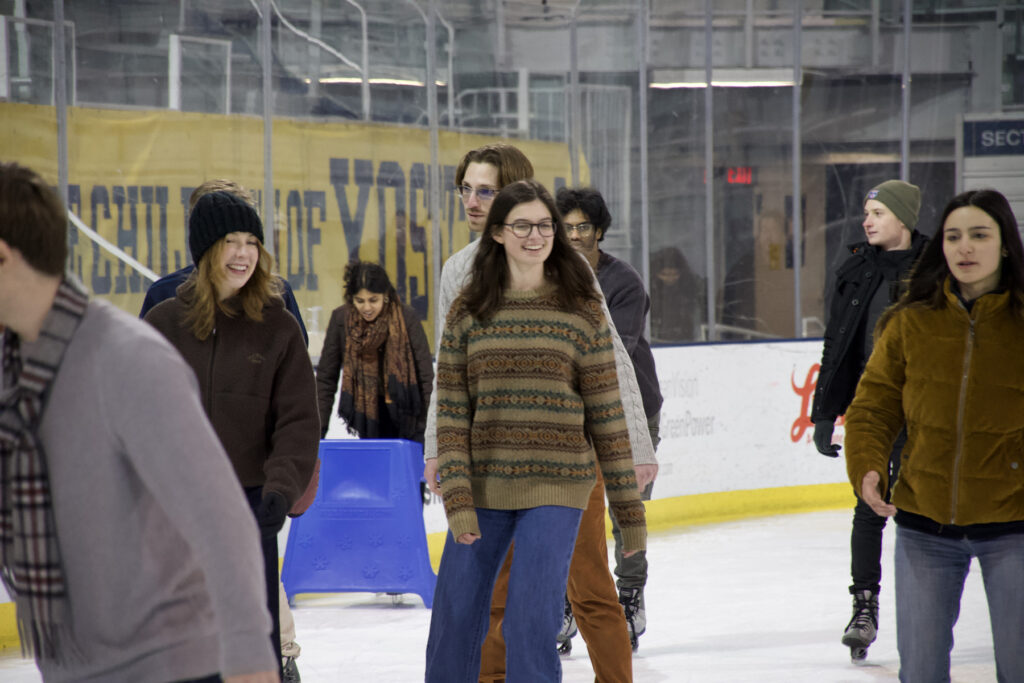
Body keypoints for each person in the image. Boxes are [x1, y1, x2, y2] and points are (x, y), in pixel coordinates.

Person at [0, 161, 278, 682]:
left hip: (169, 663)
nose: (243, 254)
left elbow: (221, 520)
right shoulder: (11, 371)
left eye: (250, 241)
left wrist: (249, 659)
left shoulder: (125, 358)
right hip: (70, 664)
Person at [422, 143, 657, 683]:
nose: (535, 236)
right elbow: (452, 401)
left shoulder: (577, 297)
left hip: (559, 479)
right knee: (457, 619)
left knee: (539, 615)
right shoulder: (466, 297)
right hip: (485, 478)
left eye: (544, 226)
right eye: (521, 225)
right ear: (500, 232)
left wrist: (629, 504)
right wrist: (451, 479)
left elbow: (608, 395)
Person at [844, 188, 1024, 681]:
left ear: (1005, 244)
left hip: (1013, 525)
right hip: (923, 525)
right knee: (920, 672)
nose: (965, 247)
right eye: (953, 236)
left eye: (979, 235)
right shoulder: (910, 322)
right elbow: (873, 405)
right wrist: (867, 465)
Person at [145, 190, 320, 680]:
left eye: (251, 242)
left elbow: (298, 421)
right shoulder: (161, 323)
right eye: (230, 241)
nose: (244, 253)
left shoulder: (278, 326)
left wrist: (279, 491)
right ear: (205, 250)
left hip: (250, 514)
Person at [809, 179, 928, 659]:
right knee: (868, 503)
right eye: (866, 212)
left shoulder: (935, 271)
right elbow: (838, 345)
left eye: (877, 212)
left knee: (924, 512)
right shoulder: (856, 268)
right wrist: (825, 413)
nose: (867, 220)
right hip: (870, 409)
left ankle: (927, 605)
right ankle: (864, 605)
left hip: (923, 411)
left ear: (903, 218)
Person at [556, 186, 663, 653]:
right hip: (571, 417)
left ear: (599, 232)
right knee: (568, 512)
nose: (575, 235)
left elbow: (607, 347)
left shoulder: (623, 282)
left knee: (624, 511)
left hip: (629, 414)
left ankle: (630, 594)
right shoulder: (547, 276)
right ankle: (567, 599)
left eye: (583, 227)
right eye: (567, 227)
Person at [139, 179, 308, 346]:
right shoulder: (163, 296)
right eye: (228, 239)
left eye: (248, 238)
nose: (241, 252)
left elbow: (296, 364)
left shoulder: (276, 293)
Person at [316, 260, 433, 444]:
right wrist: (317, 434)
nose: (367, 308)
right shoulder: (341, 320)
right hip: (368, 417)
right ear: (351, 298)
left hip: (410, 416)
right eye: (359, 301)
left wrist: (431, 432)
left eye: (373, 300)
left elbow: (427, 378)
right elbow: (325, 379)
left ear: (385, 295)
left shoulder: (406, 318)